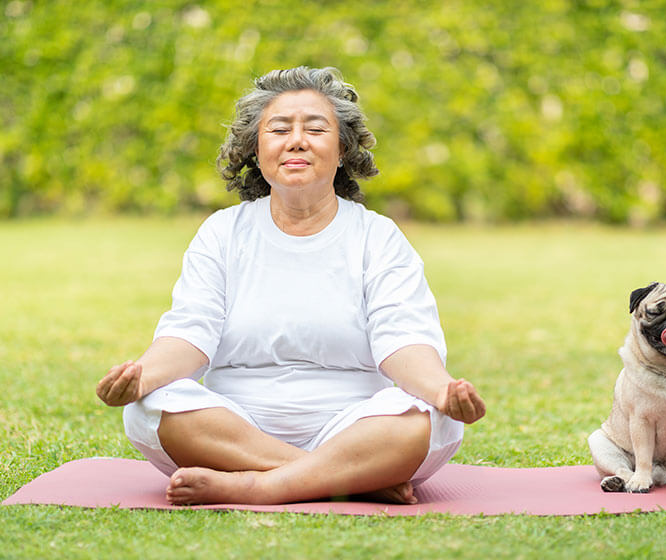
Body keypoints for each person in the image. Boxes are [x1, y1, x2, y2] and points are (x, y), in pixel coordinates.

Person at [95, 66, 485, 506]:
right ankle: (348, 477)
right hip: (235, 428)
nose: (297, 141)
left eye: (315, 129)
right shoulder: (222, 232)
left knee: (431, 418)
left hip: (354, 426)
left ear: (342, 150)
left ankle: (259, 485)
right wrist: (140, 377)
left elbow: (404, 339)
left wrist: (442, 391)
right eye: (279, 129)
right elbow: (189, 332)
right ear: (256, 149)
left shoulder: (377, 236)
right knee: (148, 407)